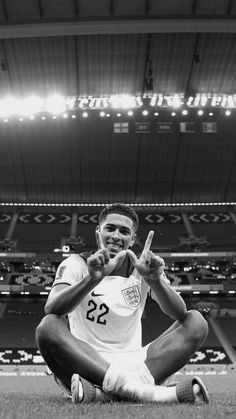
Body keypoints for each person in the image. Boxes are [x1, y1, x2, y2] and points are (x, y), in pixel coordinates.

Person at [35, 203, 209, 404]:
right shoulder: (77, 263)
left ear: (132, 239)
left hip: (136, 364)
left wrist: (155, 280)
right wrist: (91, 279)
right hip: (84, 362)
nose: (116, 236)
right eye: (110, 228)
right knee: (48, 326)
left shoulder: (141, 268)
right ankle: (144, 392)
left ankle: (106, 393)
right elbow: (52, 308)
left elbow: (180, 313)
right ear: (98, 232)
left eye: (124, 231)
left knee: (196, 322)